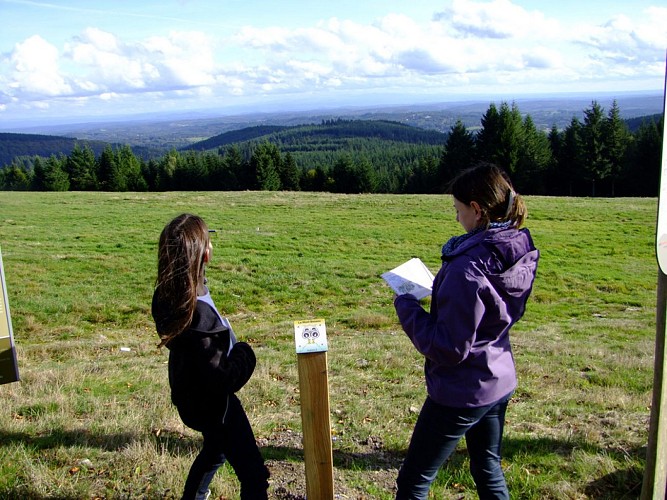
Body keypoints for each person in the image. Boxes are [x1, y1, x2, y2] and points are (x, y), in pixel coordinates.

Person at [392, 163, 539, 499]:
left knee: (414, 481)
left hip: (461, 391)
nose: (456, 218)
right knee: (487, 468)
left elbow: (448, 347)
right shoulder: (515, 245)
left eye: (458, 210)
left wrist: (407, 305)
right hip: (498, 377)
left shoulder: (466, 269)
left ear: (477, 210)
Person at [151, 213, 269, 500]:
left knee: (215, 451)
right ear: (202, 255)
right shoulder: (196, 316)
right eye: (208, 242)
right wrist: (245, 353)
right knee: (254, 474)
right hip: (217, 405)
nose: (212, 246)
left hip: (190, 392)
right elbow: (222, 378)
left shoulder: (172, 294)